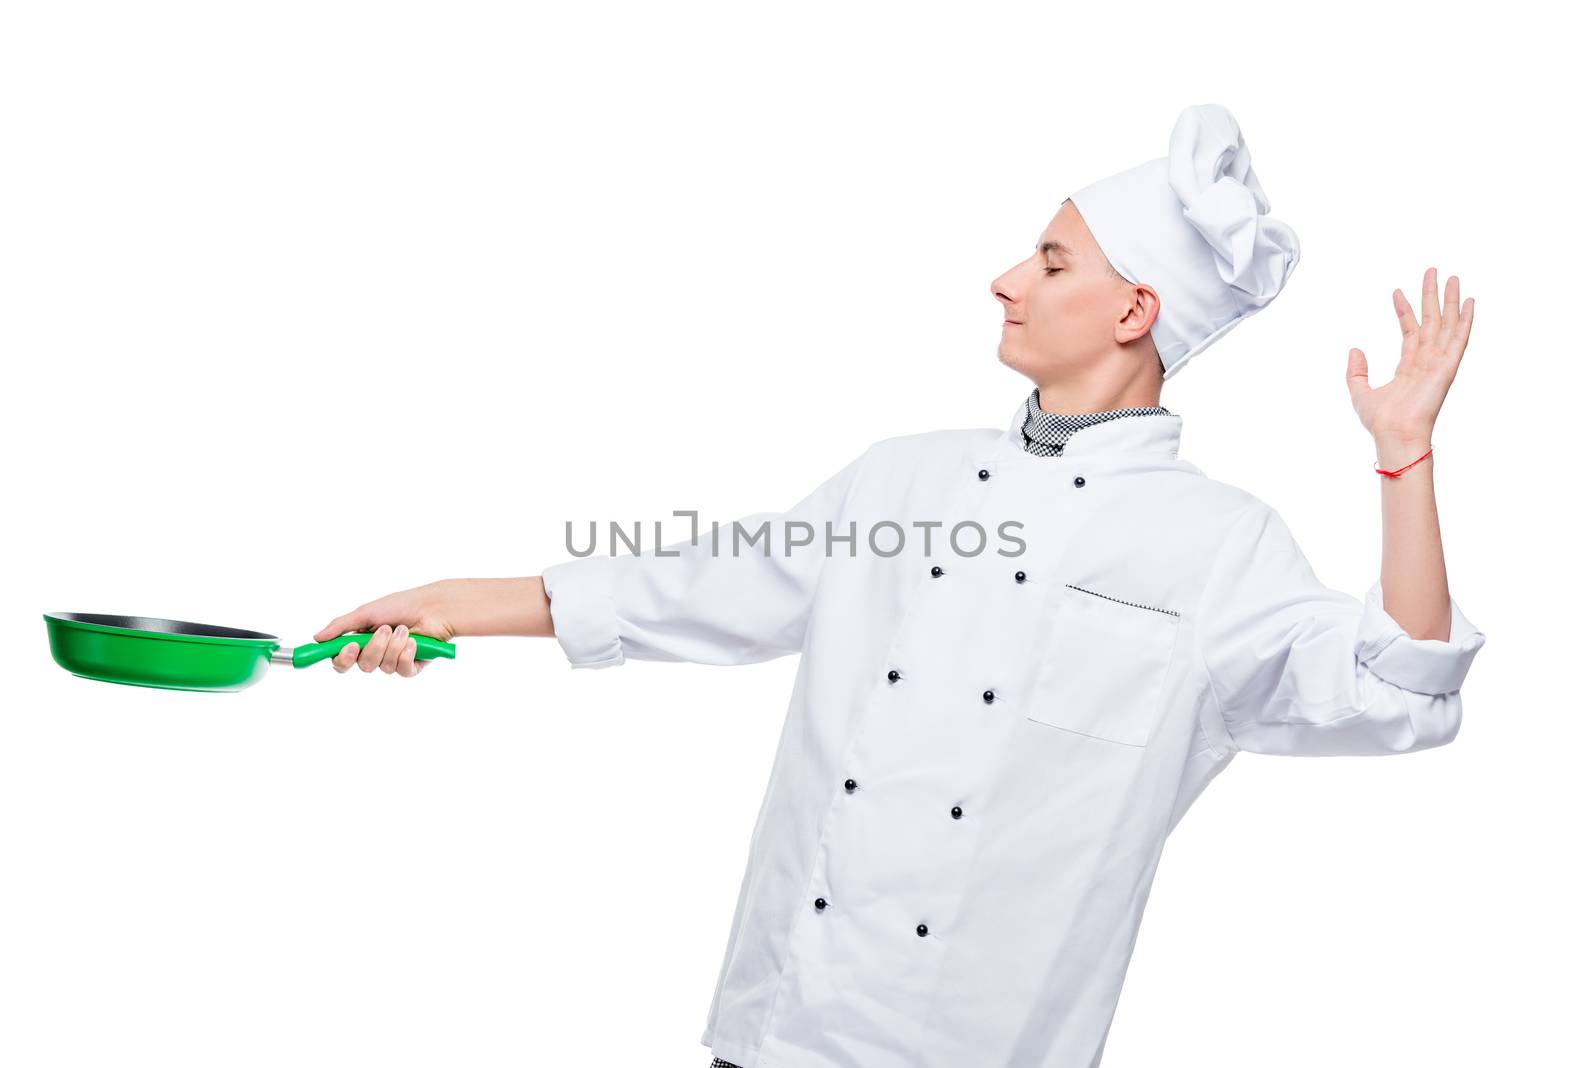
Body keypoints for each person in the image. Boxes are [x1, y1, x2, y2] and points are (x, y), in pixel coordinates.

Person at [314, 104, 1485, 1068]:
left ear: (1134, 312)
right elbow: (692, 584)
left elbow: (1401, 695)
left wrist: (1402, 460)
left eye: (1050, 260)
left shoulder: (1215, 546)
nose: (1004, 278)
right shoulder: (904, 477)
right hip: (771, 1029)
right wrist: (451, 601)